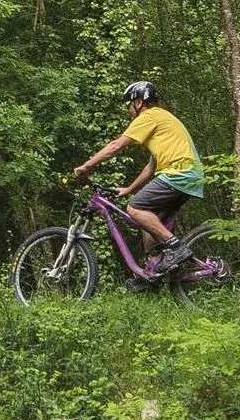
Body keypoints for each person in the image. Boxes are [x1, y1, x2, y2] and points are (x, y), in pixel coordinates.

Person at [73, 80, 206, 276]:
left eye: (130, 104)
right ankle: (152, 273)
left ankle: (176, 247)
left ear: (139, 102)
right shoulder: (164, 120)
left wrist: (86, 165)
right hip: (188, 175)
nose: (129, 110)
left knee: (135, 209)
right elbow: (150, 167)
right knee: (147, 222)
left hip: (179, 173)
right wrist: (129, 189)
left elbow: (116, 146)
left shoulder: (149, 116)